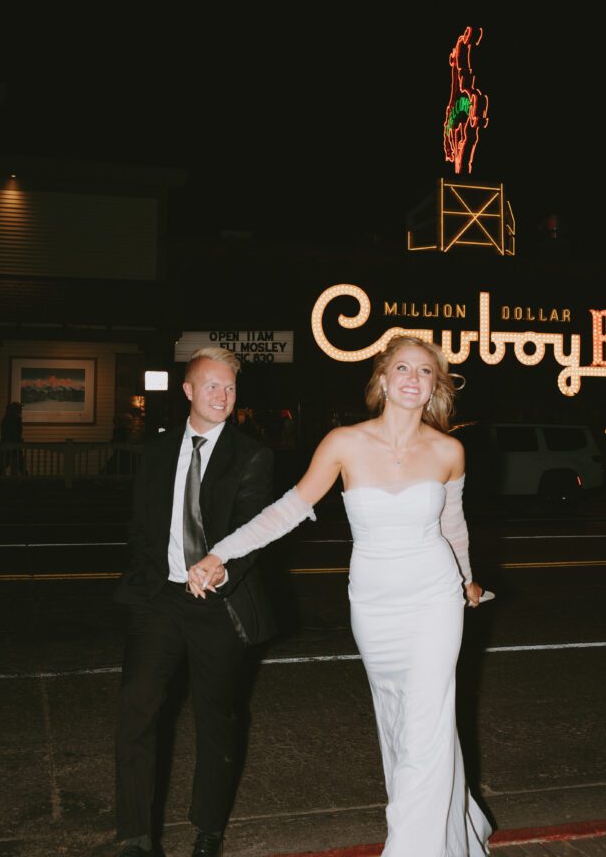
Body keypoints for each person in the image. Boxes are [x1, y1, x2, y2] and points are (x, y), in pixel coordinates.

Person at [189, 335, 492, 856]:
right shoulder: (344, 443)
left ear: (434, 388)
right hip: (374, 603)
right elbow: (286, 510)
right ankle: (451, 831)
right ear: (382, 378)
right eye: (403, 367)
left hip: (433, 599)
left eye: (424, 372)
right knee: (402, 723)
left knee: (425, 723)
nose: (412, 378)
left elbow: (453, 525)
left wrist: (466, 577)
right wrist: (221, 553)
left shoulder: (449, 451)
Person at [113, 346, 276, 857]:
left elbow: (254, 529)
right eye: (212, 386)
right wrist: (148, 578)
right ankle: (136, 837)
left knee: (217, 717)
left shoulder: (252, 456)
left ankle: (208, 828)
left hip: (217, 603)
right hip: (160, 598)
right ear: (188, 390)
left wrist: (223, 565)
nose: (223, 396)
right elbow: (142, 524)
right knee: (137, 705)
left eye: (229, 388)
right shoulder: (158, 452)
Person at [0, 401, 26, 475]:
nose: (21, 410)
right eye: (19, 409)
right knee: (17, 466)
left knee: (2, 467)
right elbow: (13, 434)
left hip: (7, 446)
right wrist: (18, 441)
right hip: (12, 447)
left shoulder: (7, 420)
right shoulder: (14, 420)